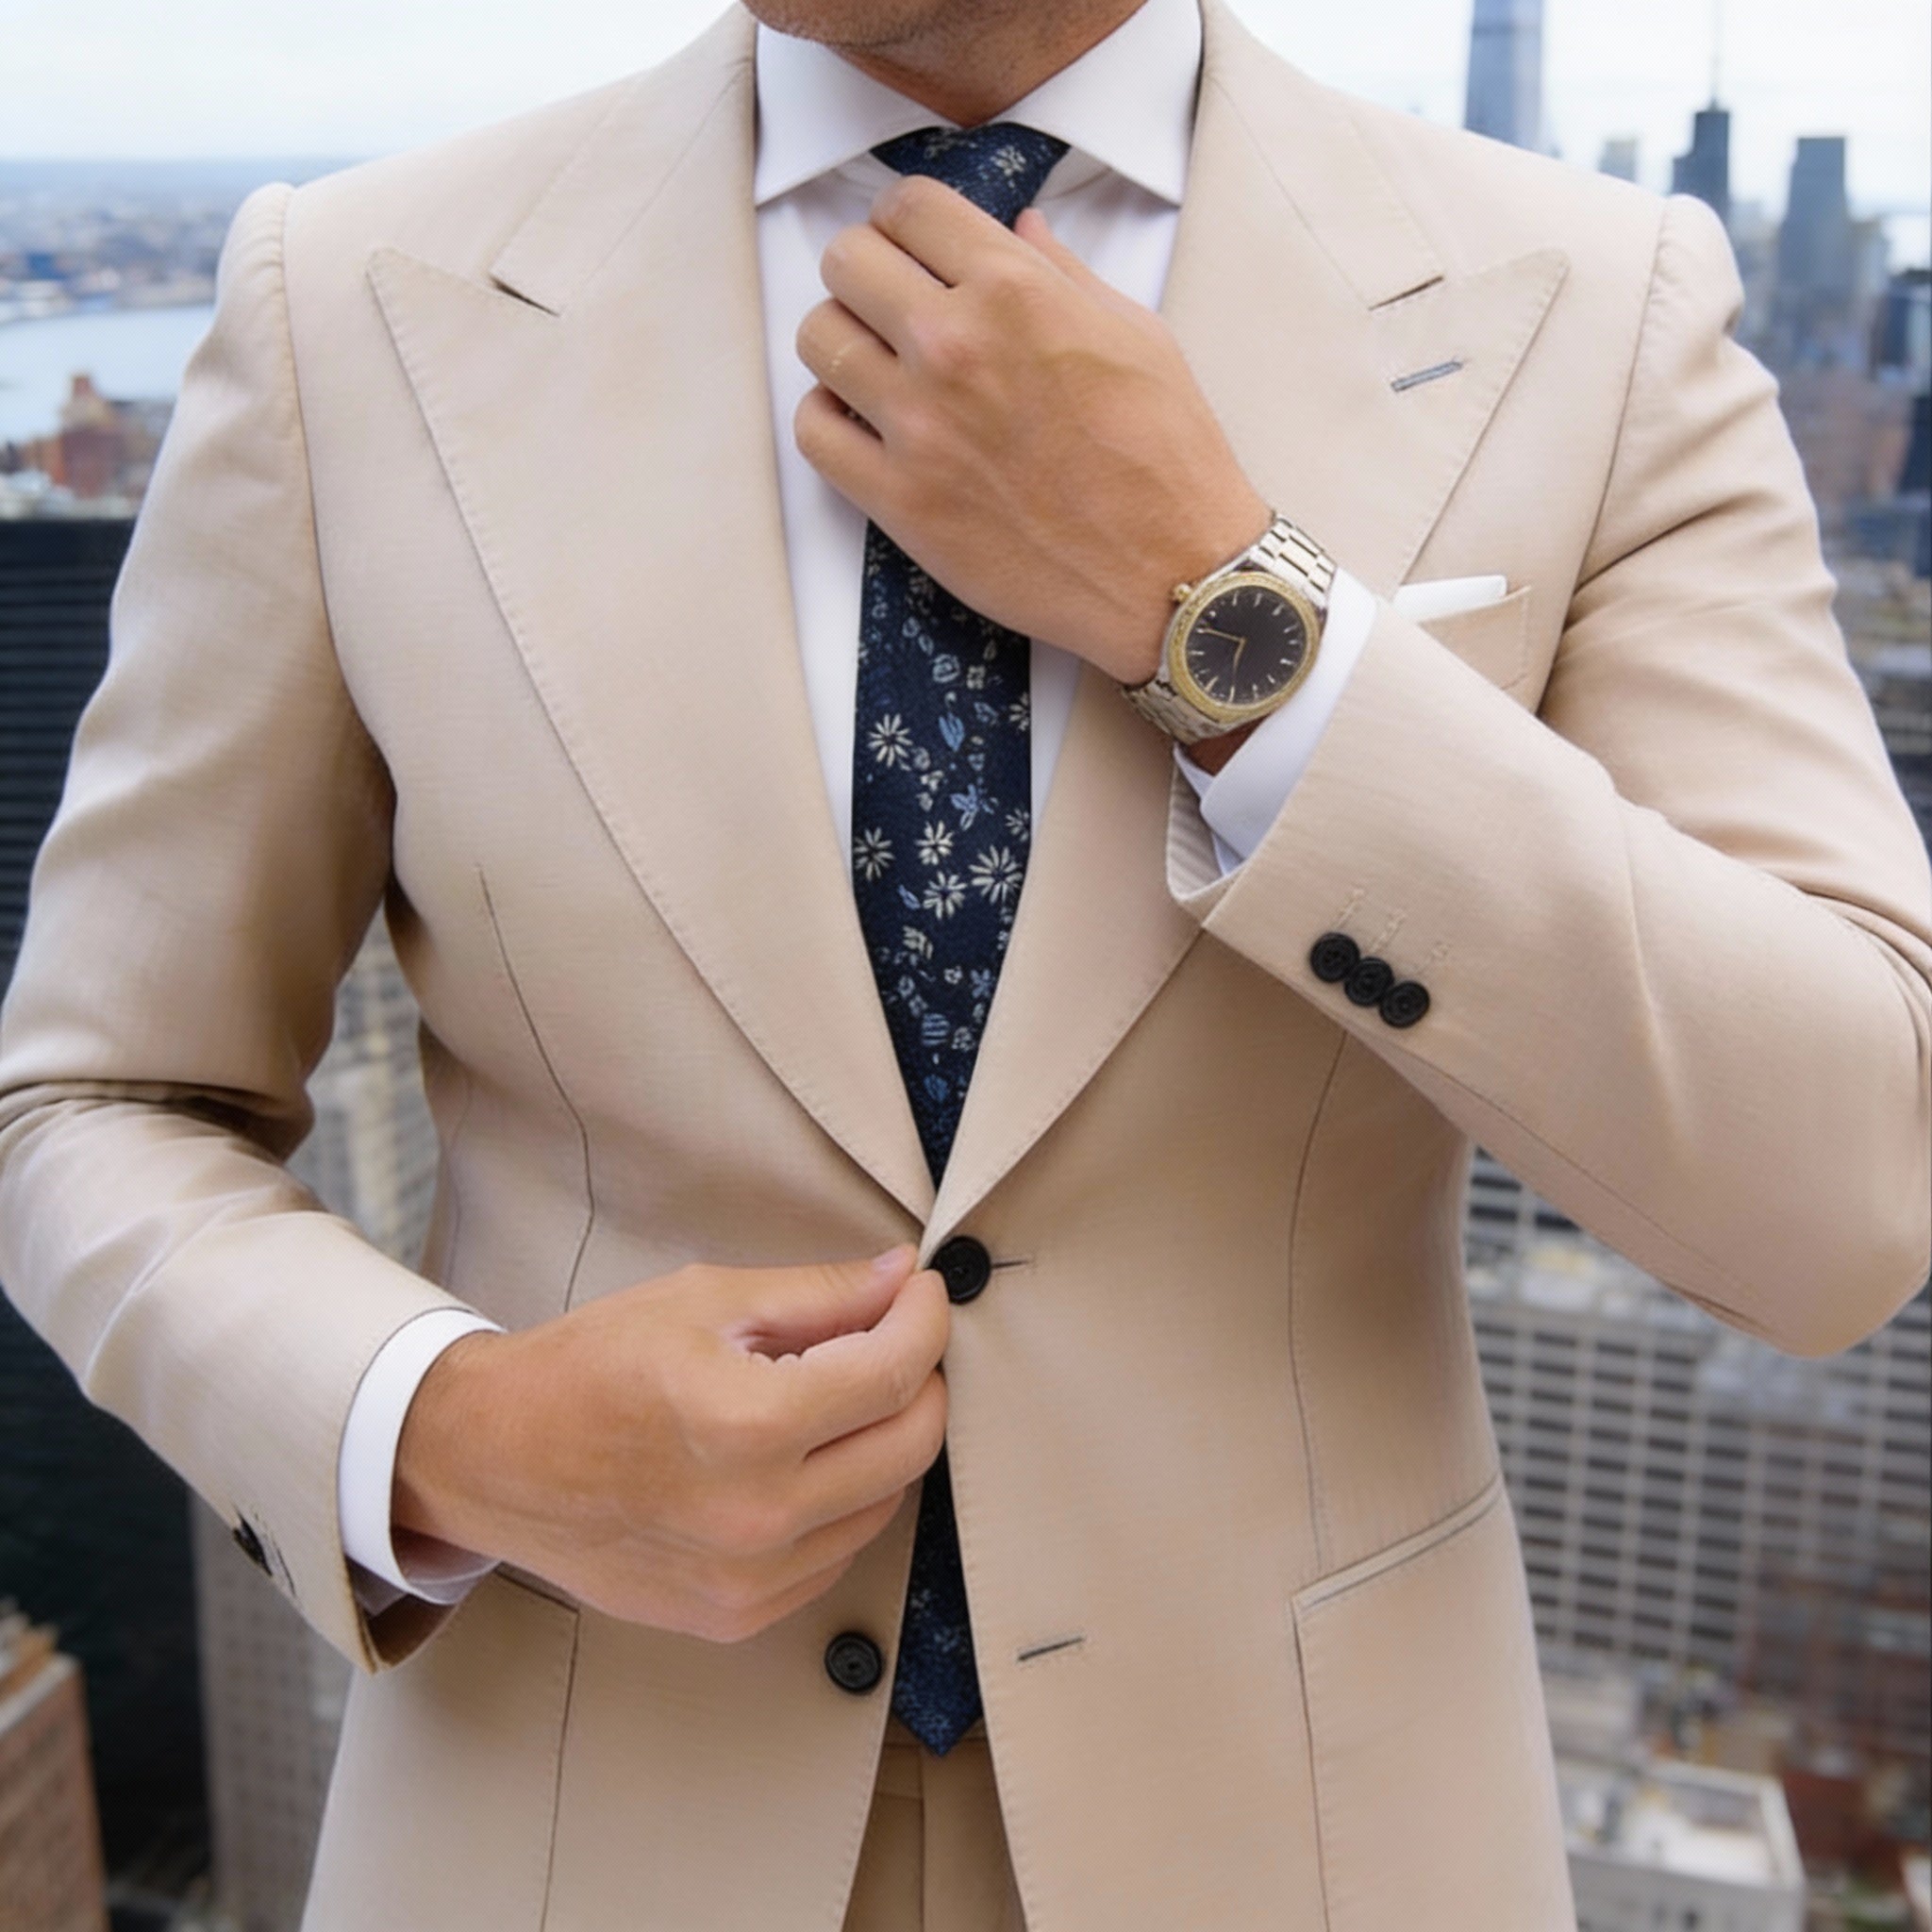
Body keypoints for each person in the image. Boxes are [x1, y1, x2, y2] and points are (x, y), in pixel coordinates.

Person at [2, 0, 1927, 1924]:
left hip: (1316, 1848)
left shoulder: (1591, 310)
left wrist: (1232, 614)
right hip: (568, 1829)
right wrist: (453, 1433)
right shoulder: (347, 304)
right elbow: (91, 1099)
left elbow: (1847, 1185)